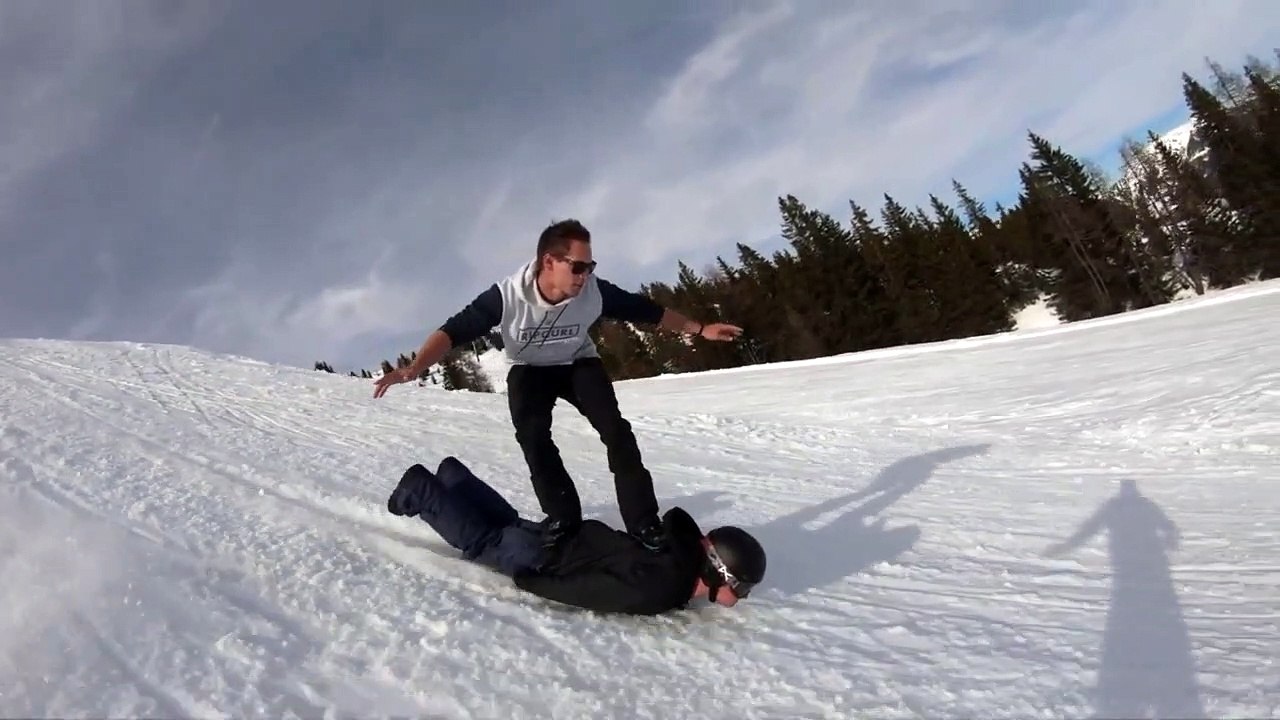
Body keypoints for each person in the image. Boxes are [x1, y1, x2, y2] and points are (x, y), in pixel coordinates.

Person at [373, 219, 743, 554]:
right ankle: (564, 518)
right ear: (549, 262)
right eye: (578, 267)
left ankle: (644, 521)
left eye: (590, 267)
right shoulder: (508, 296)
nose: (584, 276)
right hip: (530, 368)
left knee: (616, 432)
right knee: (533, 438)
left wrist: (700, 329)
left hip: (578, 362)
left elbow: (647, 310)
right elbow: (453, 330)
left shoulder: (595, 293)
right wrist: (416, 367)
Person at [386, 455, 766, 615]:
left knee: (509, 525)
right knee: (486, 541)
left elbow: (678, 525)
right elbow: (592, 591)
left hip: (568, 535)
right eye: (742, 588)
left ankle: (454, 479)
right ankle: (422, 491)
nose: (742, 597)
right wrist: (533, 581)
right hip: (549, 559)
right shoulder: (665, 587)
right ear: (720, 572)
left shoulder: (675, 550)